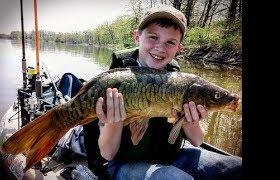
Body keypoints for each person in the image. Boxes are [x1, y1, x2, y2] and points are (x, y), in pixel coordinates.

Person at [83, 4, 242, 180]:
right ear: (137, 37)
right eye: (153, 37)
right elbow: (108, 154)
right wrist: (115, 122)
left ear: (179, 48)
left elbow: (197, 142)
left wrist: (190, 121)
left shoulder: (181, 83)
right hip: (123, 164)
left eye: (170, 42)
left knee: (237, 167)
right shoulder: (115, 84)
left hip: (169, 156)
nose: (160, 47)